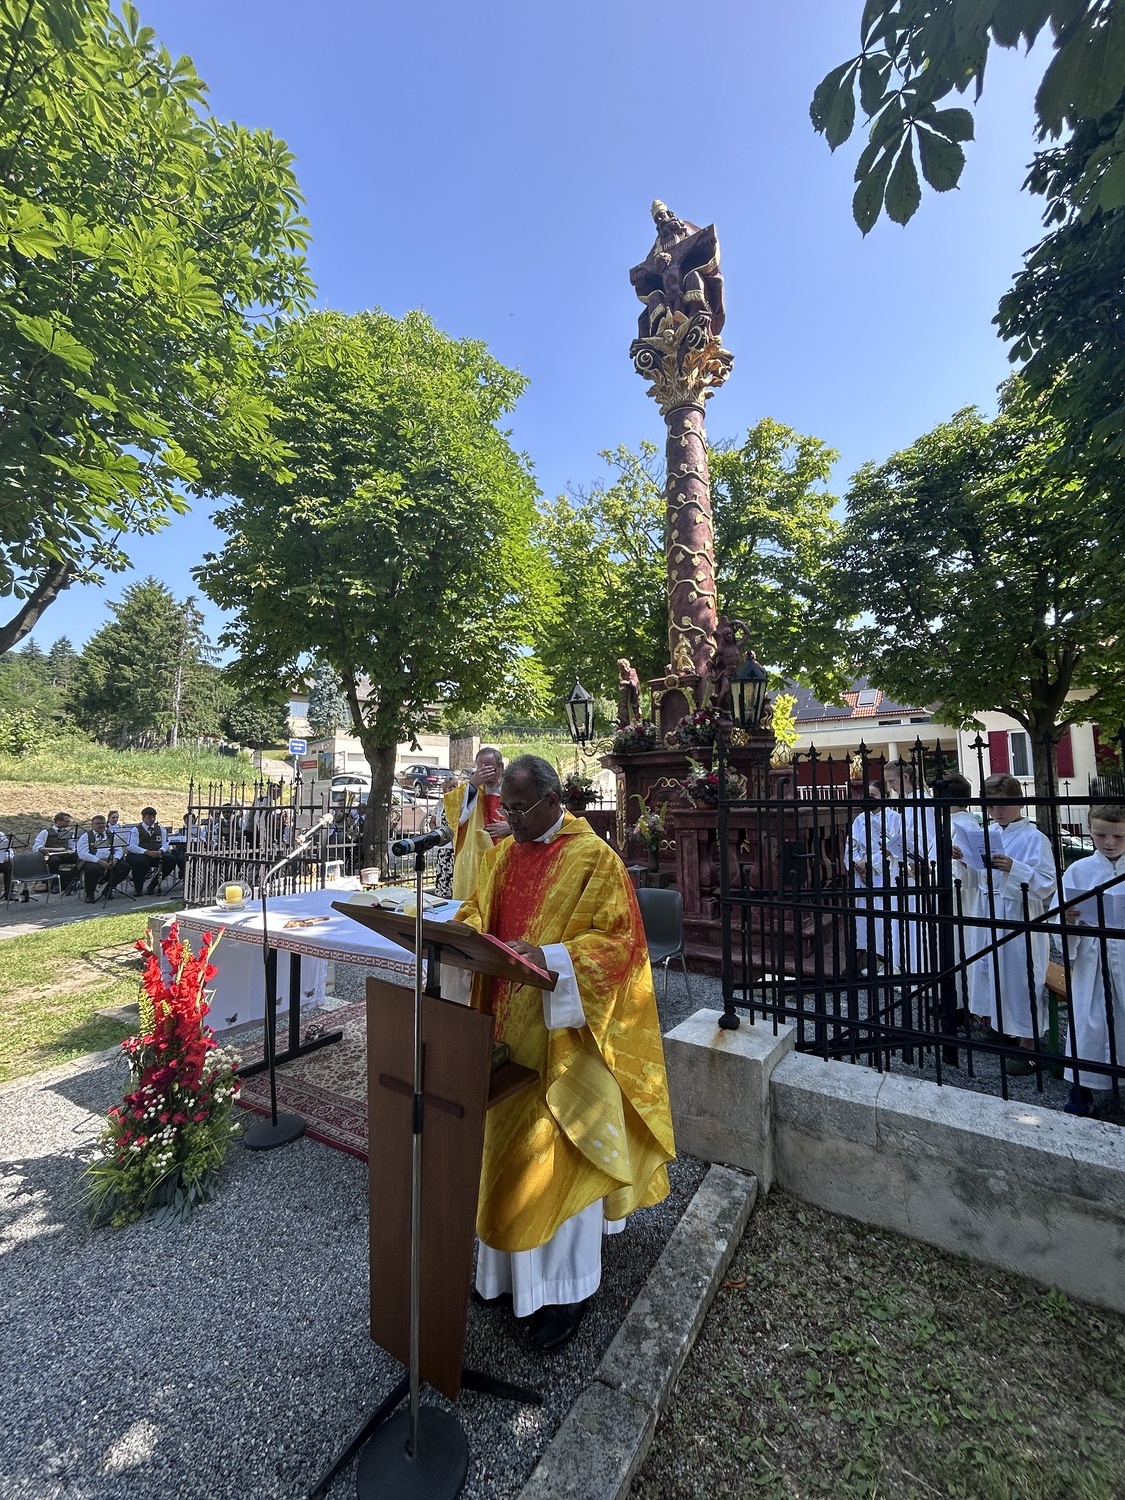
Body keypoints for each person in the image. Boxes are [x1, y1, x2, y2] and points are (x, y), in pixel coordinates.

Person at [453, 755, 676, 1353]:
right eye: (506, 808)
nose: (511, 820)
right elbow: (478, 910)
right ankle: (503, 1278)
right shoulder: (506, 855)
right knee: (507, 1152)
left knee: (557, 1158)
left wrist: (552, 958)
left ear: (553, 800)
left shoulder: (593, 859)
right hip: (507, 1028)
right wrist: (458, 930)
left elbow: (620, 945)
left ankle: (566, 1292)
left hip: (566, 1038)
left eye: (520, 809)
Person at [970, 774, 1057, 1072]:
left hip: (1018, 915)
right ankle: (999, 1027)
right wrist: (963, 858)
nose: (997, 812)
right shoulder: (987, 832)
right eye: (990, 806)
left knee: (1021, 977)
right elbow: (977, 876)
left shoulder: (1034, 838)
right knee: (993, 971)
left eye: (1002, 805)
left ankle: (1029, 1046)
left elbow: (1046, 883)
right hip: (990, 908)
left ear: (1019, 802)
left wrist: (1014, 868)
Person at [1062, 804, 1125, 1117]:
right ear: (1089, 831)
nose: (1109, 843)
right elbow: (1061, 915)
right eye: (1101, 835)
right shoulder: (1079, 870)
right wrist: (1068, 919)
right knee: (1089, 1020)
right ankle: (1082, 1087)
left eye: (1119, 837)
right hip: (1092, 956)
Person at [442, 746, 511, 901]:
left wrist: (511, 827)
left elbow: (532, 816)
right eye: (481, 770)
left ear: (501, 767)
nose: (485, 775)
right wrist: (472, 786)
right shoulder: (471, 789)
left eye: (490, 769)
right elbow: (456, 819)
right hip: (477, 858)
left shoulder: (513, 787)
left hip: (507, 853)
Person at [77, 814, 127, 902]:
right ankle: (90, 894)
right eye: (97, 823)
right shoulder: (86, 836)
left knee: (125, 866)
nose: (101, 825)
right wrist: (99, 861)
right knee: (93, 869)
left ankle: (108, 889)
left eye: (103, 823)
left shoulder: (111, 835)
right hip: (92, 861)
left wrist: (115, 860)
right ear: (92, 825)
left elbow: (119, 849)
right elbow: (82, 854)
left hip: (109, 860)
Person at [126, 807, 174, 895]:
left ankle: (153, 885)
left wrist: (161, 850)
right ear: (143, 818)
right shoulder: (136, 830)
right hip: (140, 854)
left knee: (170, 860)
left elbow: (166, 843)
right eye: (149, 817)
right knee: (139, 862)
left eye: (153, 817)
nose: (152, 819)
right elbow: (131, 846)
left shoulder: (161, 829)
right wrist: (146, 852)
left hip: (157, 853)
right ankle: (138, 888)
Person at [33, 812, 79, 893]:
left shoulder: (68, 832)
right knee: (54, 860)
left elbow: (72, 846)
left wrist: (72, 851)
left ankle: (74, 880)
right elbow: (37, 847)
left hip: (65, 854)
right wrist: (55, 850)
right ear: (58, 821)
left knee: (80, 858)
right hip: (51, 855)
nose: (68, 823)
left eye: (69, 821)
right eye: (66, 821)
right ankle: (55, 884)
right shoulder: (45, 832)